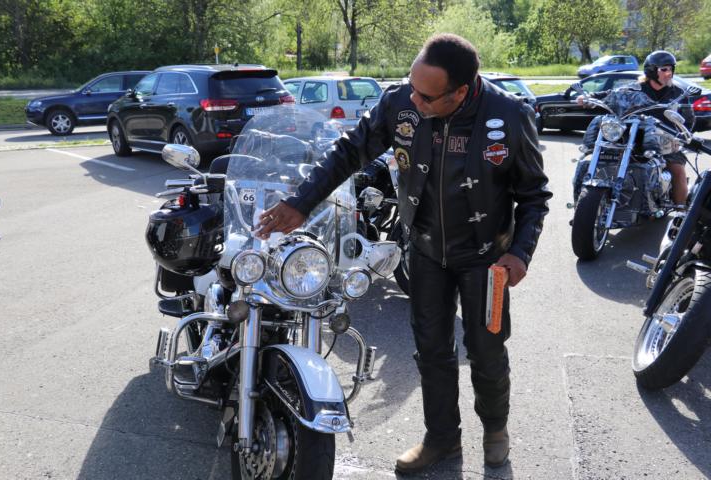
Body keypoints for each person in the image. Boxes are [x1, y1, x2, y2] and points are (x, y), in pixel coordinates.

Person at [255, 34, 552, 472]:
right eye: (411, 87)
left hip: (487, 259)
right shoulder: (400, 103)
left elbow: (534, 196)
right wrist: (301, 202)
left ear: (460, 92)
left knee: (486, 353)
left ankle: (495, 431)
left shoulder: (509, 115)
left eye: (426, 96)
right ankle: (442, 440)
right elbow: (348, 152)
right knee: (431, 351)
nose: (414, 100)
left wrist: (521, 253)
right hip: (426, 251)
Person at [577, 50, 694, 205]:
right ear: (652, 71)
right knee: (598, 158)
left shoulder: (678, 94)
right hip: (631, 140)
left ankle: (680, 209)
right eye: (664, 69)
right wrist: (588, 98)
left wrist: (682, 136)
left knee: (677, 170)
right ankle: (584, 202)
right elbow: (609, 94)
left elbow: (689, 119)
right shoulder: (632, 90)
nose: (669, 73)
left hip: (664, 143)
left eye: (671, 69)